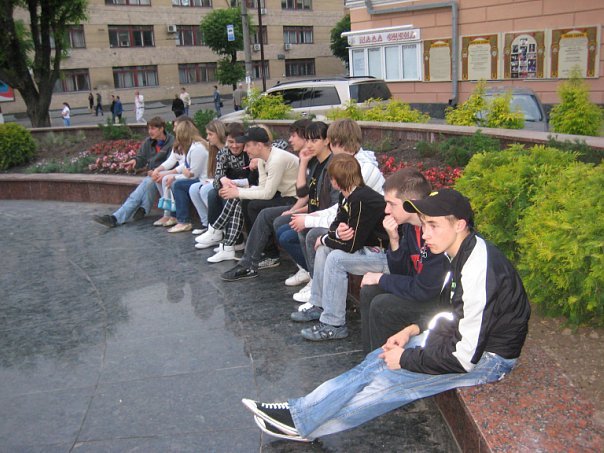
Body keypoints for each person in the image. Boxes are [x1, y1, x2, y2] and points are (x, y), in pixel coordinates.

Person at [242, 188, 531, 442]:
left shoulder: (478, 267)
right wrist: (413, 330)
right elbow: (450, 310)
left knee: (391, 382)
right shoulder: (458, 251)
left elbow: (465, 358)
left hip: (488, 360)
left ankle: (302, 424)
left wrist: (405, 358)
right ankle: (300, 411)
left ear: (460, 225)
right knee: (378, 358)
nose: (425, 234)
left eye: (433, 225)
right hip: (460, 339)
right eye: (424, 224)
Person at [220, 120, 338, 282]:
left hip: (318, 214)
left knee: (282, 228)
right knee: (269, 217)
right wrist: (303, 162)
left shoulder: (331, 165)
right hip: (306, 207)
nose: (309, 144)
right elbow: (304, 192)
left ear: (327, 141)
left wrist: (299, 212)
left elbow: (330, 204)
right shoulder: (314, 162)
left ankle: (312, 275)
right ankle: (254, 262)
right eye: (308, 140)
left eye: (314, 140)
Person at [290, 153, 388, 341]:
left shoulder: (361, 199)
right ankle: (318, 304)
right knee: (324, 250)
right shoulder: (348, 195)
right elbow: (337, 223)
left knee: (335, 259)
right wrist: (336, 233)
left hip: (383, 254)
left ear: (335, 181)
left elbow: (352, 245)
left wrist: (326, 238)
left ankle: (334, 324)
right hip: (367, 248)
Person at [290, 118, 385, 304]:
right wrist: (312, 216)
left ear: (335, 143)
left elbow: (347, 213)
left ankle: (318, 287)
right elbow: (341, 208)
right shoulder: (351, 164)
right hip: (355, 225)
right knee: (309, 232)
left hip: (370, 234)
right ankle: (317, 288)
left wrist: (310, 221)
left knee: (314, 234)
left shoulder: (362, 169)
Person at [356, 169, 448, 352]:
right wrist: (394, 240)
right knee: (369, 292)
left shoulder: (436, 232)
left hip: (441, 303)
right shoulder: (410, 227)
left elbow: (424, 290)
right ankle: (371, 357)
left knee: (383, 305)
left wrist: (380, 278)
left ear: (410, 204)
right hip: (421, 292)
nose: (386, 210)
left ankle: (382, 361)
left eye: (391, 204)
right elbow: (402, 274)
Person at [196, 126, 298, 263]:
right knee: (245, 202)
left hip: (295, 200)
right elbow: (262, 187)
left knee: (253, 205)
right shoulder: (262, 158)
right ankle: (246, 246)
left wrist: (238, 192)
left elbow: (268, 194)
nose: (245, 149)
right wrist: (238, 192)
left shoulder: (276, 159)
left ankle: (270, 255)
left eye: (248, 145)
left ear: (259, 145)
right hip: (282, 195)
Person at [92, 116, 175, 228]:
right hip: (154, 176)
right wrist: (135, 161)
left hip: (167, 175)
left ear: (161, 129)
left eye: (153, 129)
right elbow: (141, 157)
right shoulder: (148, 142)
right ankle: (143, 209)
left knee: (147, 183)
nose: (150, 131)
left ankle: (116, 218)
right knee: (149, 182)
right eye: (148, 128)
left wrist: (156, 171)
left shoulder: (171, 142)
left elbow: (172, 163)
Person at [154, 119, 210, 232]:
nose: (175, 134)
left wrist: (175, 176)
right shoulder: (192, 146)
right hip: (198, 177)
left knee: (178, 185)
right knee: (173, 181)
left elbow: (193, 174)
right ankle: (172, 215)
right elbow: (186, 168)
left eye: (177, 132)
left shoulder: (197, 148)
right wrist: (177, 174)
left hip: (203, 180)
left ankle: (183, 221)